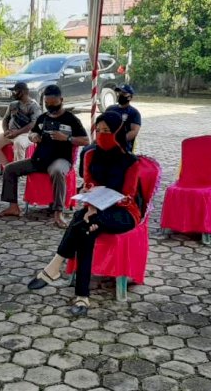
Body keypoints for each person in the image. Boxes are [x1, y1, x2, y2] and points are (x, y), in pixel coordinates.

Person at [27, 112, 141, 316]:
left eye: (107, 131)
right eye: (98, 131)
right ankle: (82, 295)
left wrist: (97, 208)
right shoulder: (89, 154)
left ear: (118, 131)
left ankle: (55, 268)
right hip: (94, 207)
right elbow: (88, 183)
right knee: (86, 228)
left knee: (82, 221)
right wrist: (91, 205)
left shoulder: (130, 161)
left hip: (123, 212)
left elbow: (128, 196)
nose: (102, 134)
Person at [0, 84, 89, 228]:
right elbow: (32, 132)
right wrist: (33, 137)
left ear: (61, 100)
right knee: (9, 169)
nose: (50, 106)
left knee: (57, 172)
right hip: (39, 159)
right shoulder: (43, 118)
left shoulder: (71, 119)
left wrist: (67, 139)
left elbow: (86, 140)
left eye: (53, 103)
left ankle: (58, 212)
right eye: (47, 103)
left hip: (60, 160)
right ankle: (13, 206)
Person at [79, 84, 142, 177]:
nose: (120, 94)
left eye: (123, 93)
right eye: (119, 92)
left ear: (130, 97)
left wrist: (117, 140)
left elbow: (134, 131)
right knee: (87, 150)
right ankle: (86, 177)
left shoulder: (134, 113)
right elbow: (102, 123)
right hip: (104, 141)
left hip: (121, 144)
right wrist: (99, 138)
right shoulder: (110, 108)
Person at [0, 82, 42, 166]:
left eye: (16, 91)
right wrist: (6, 130)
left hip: (27, 134)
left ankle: (19, 170)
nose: (13, 93)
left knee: (19, 143)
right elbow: (5, 119)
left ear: (23, 92)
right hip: (11, 133)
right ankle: (8, 166)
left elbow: (33, 124)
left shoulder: (34, 106)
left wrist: (17, 132)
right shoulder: (13, 104)